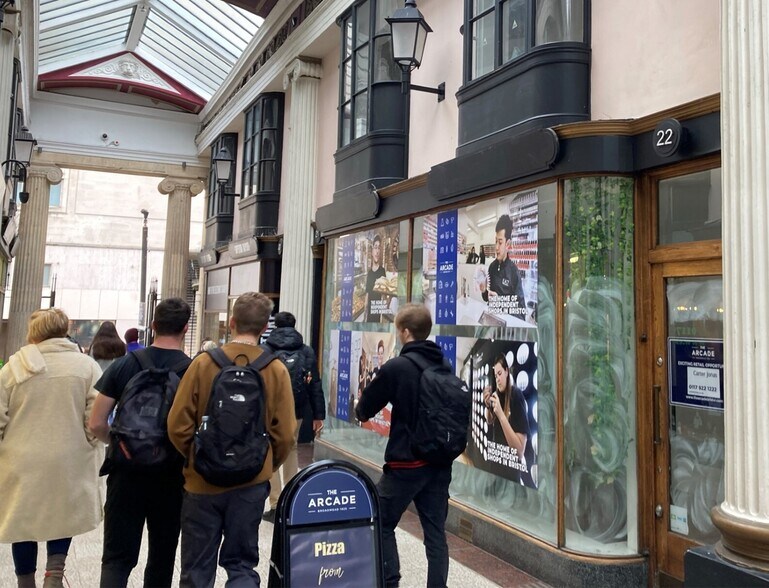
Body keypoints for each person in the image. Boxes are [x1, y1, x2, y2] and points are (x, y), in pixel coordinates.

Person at [167, 292, 295, 586]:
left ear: (232, 322)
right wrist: (264, 462)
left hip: (201, 483)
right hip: (250, 484)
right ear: (265, 328)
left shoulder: (202, 364)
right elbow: (286, 434)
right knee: (241, 565)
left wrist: (197, 455)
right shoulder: (275, 369)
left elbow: (177, 425)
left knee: (197, 567)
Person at [89, 298, 192, 587]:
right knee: (161, 556)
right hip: (171, 476)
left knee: (117, 558)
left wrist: (120, 443)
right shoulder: (192, 370)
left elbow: (96, 422)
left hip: (125, 473)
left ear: (154, 325)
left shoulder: (126, 364)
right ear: (185, 328)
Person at [0, 308, 104, 588]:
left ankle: (25, 581)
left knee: (24, 520)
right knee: (63, 513)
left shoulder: (14, 366)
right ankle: (54, 574)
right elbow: (95, 418)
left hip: (20, 459)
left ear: (34, 331)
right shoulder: (86, 366)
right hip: (68, 458)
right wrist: (86, 442)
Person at [355, 303, 452, 588]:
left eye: (399, 331)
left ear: (406, 332)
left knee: (381, 522)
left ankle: (389, 581)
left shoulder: (398, 366)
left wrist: (362, 412)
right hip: (438, 463)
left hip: (405, 464)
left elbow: (366, 407)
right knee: (435, 535)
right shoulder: (443, 365)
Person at [262, 311, 326, 522]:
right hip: (297, 409)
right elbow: (315, 384)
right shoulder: (305, 350)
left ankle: (274, 503)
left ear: (275, 326)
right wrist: (318, 415)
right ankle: (290, 501)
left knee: (270, 450)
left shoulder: (266, 349)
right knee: (292, 448)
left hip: (270, 410)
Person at [482, 353, 530, 484]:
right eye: (495, 375)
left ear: (507, 371)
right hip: (496, 465)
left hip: (510, 474)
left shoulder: (516, 395)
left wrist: (502, 416)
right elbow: (490, 421)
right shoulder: (497, 394)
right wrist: (487, 405)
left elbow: (519, 452)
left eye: (500, 373)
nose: (497, 378)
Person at [479, 214, 526, 318]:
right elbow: (488, 298)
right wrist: (484, 291)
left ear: (508, 244)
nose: (496, 247)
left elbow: (521, 313)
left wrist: (500, 303)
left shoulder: (514, 272)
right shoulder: (492, 267)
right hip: (491, 319)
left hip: (506, 327)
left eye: (500, 242)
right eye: (496, 241)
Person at [365, 233, 387, 322]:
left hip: (377, 307)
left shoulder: (382, 271)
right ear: (372, 251)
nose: (377, 251)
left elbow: (384, 293)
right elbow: (367, 292)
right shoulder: (369, 273)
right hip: (370, 306)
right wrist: (365, 307)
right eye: (375, 247)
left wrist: (383, 309)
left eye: (379, 248)